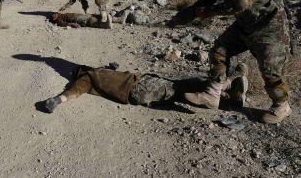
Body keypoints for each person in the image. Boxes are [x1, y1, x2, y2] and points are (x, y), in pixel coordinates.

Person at [167, 0, 292, 124]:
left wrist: (210, 12)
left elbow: (241, 3)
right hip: (246, 24)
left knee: (271, 72)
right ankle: (212, 95)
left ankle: (282, 105)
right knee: (219, 51)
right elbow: (206, 0)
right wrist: (180, 18)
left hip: (270, 28)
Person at [40, 62, 249, 113]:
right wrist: (57, 100)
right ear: (81, 70)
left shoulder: (98, 73)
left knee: (183, 86)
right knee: (179, 90)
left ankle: (230, 91)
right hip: (137, 89)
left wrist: (112, 68)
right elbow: (74, 92)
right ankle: (226, 93)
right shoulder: (86, 78)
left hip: (139, 87)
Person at [50, 12, 122, 29]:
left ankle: (118, 20)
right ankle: (106, 25)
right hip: (79, 20)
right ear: (54, 19)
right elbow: (64, 24)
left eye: (54, 14)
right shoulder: (58, 20)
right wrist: (72, 24)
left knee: (95, 16)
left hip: (85, 16)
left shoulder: (62, 14)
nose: (54, 15)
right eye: (53, 16)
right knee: (90, 21)